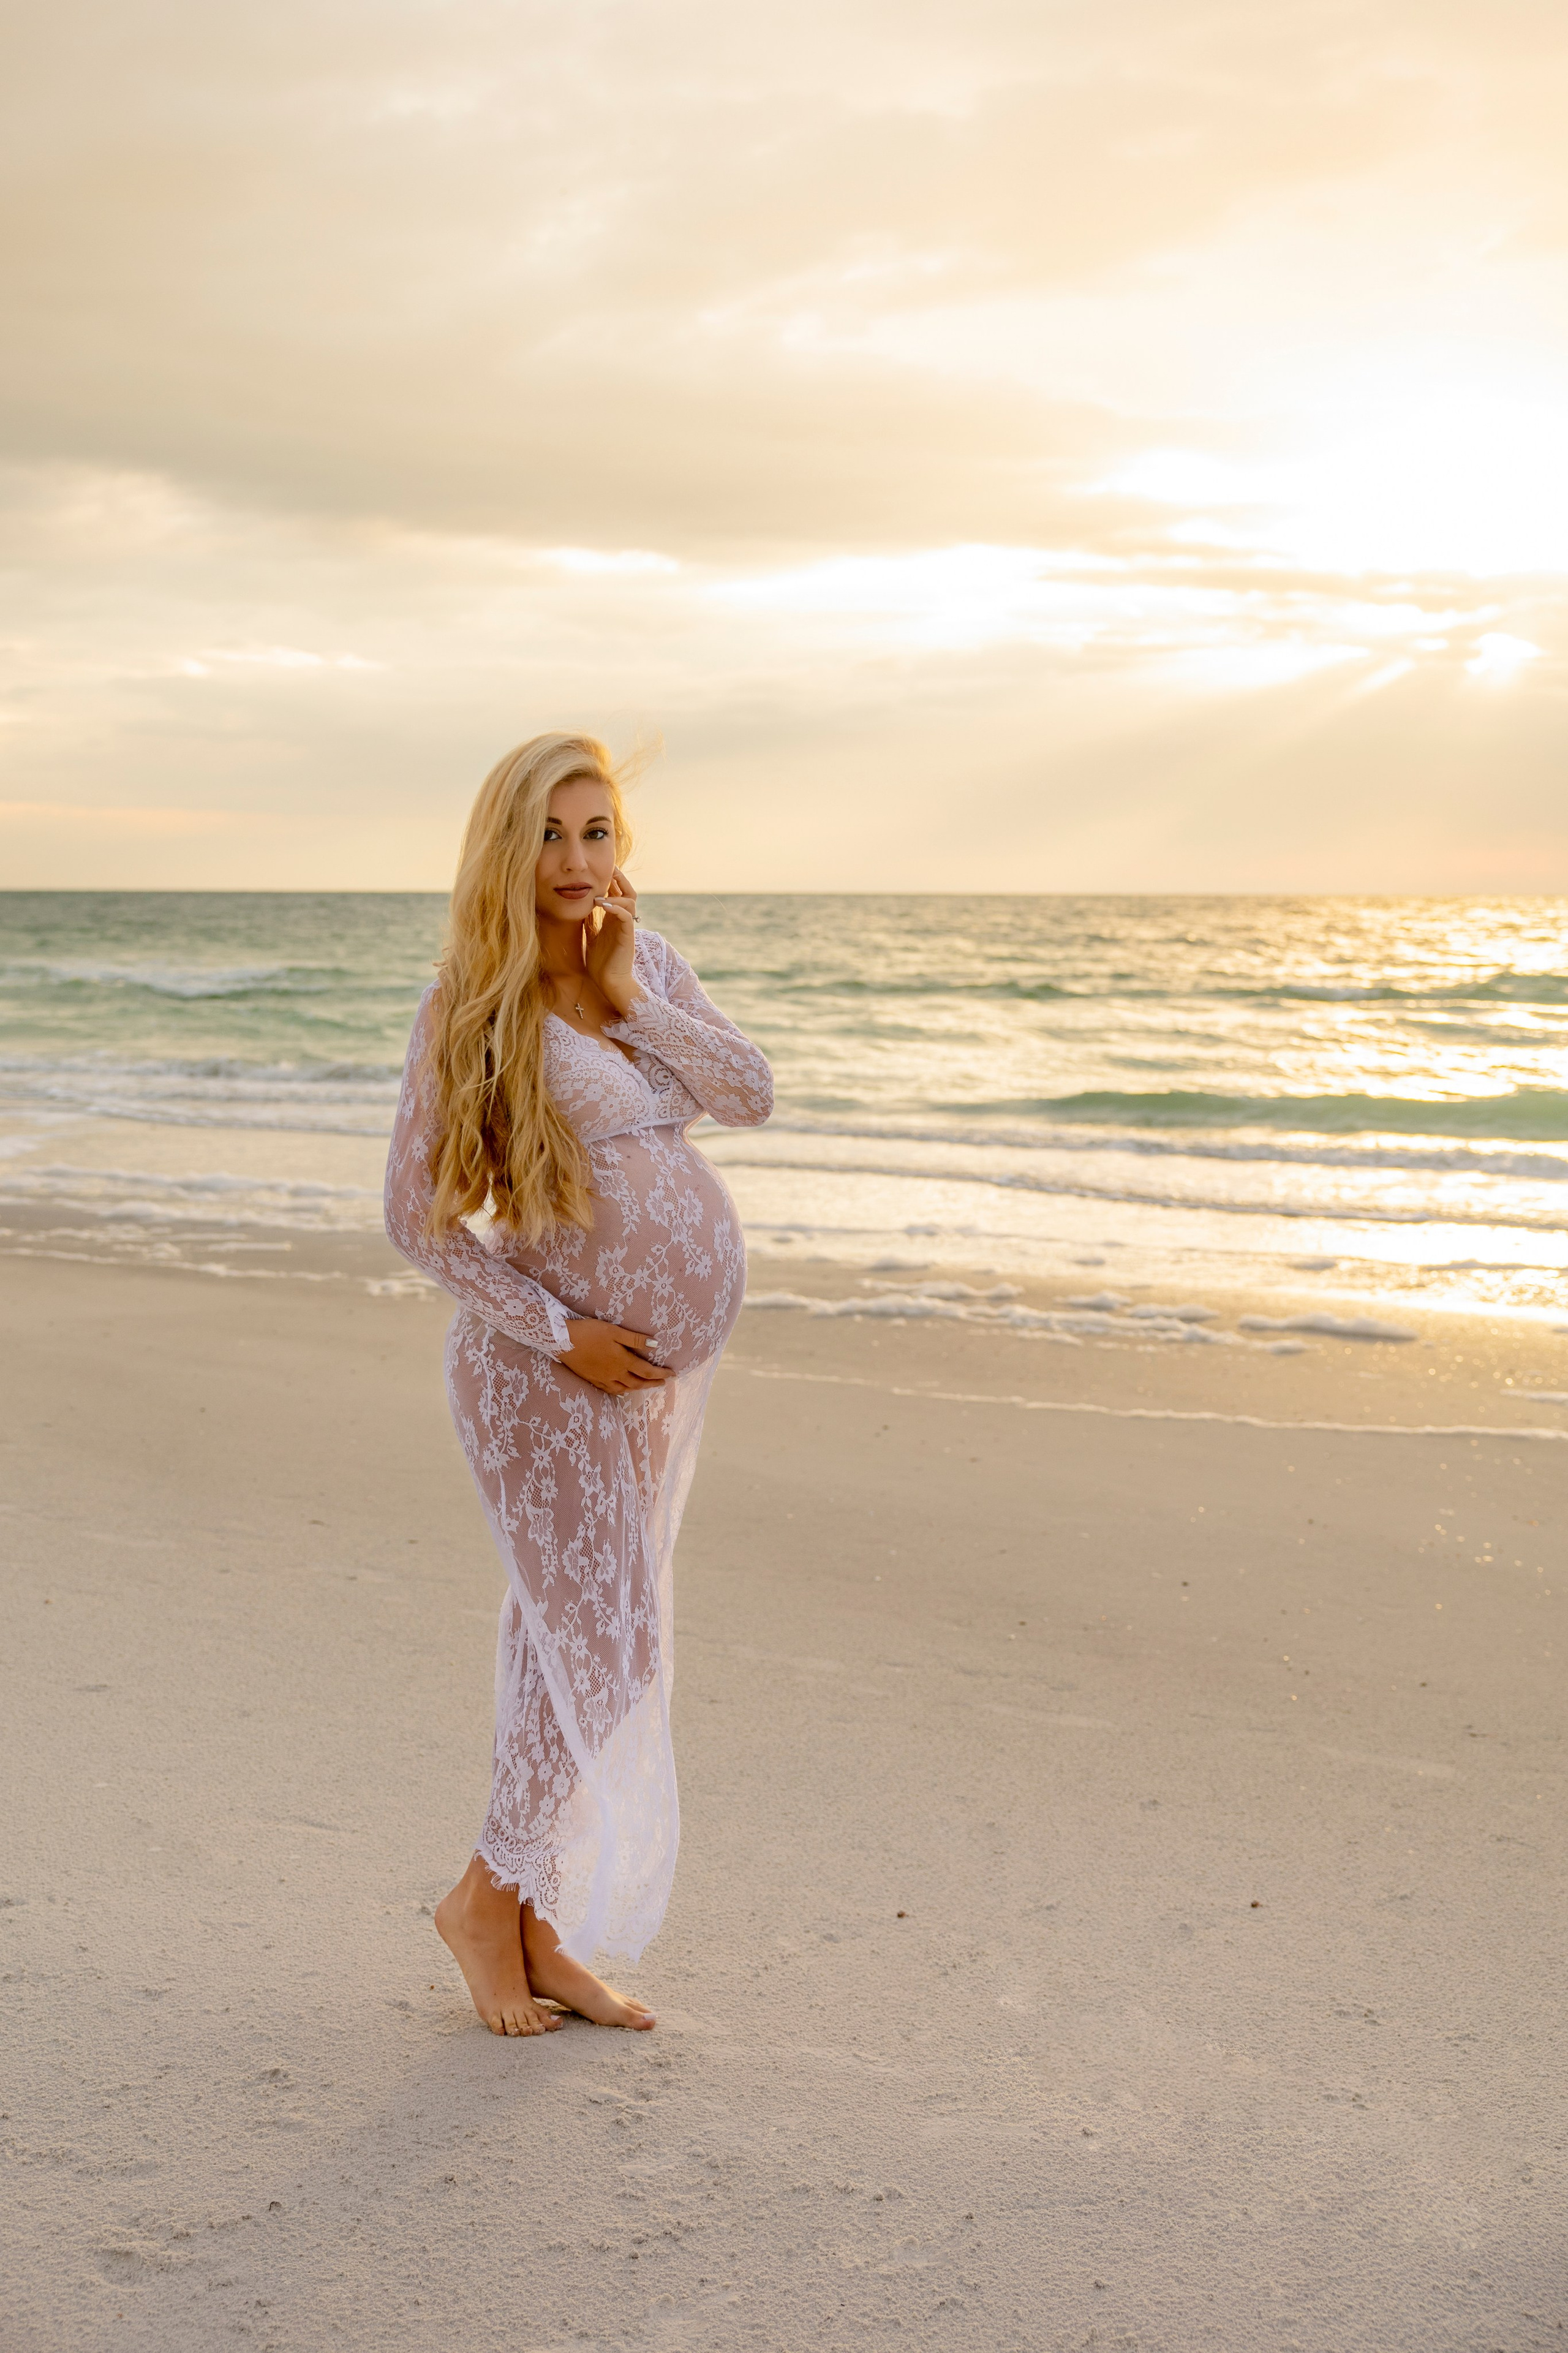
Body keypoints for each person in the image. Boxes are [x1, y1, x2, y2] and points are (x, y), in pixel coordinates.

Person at [384, 733, 772, 2035]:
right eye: (548, 833)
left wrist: (627, 996)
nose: (574, 858)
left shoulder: (645, 967)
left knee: (565, 1640)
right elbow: (416, 1221)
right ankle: (483, 1899)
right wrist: (562, 1334)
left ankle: (537, 1926)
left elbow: (750, 1095)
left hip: (640, 1382)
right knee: (607, 1642)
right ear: (505, 848)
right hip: (537, 1373)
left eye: (596, 830)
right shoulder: (468, 1002)